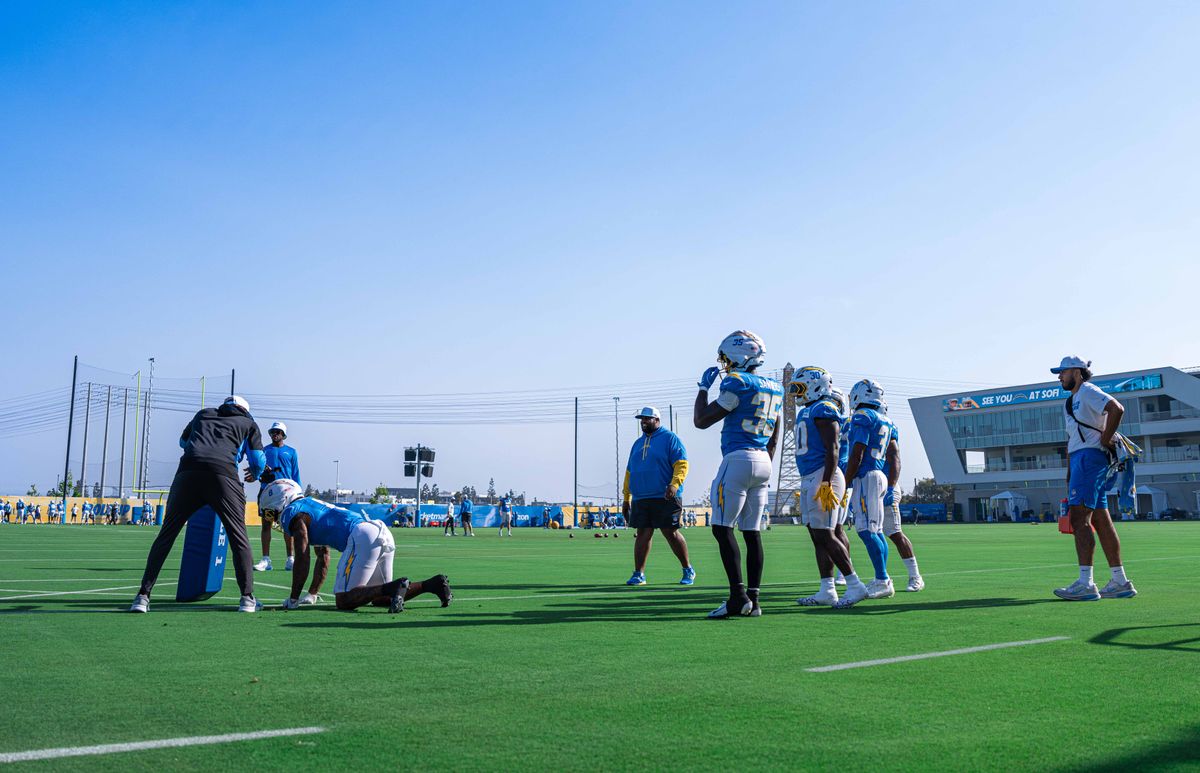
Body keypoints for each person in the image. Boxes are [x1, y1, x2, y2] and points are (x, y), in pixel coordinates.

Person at [129, 395, 266, 614]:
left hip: (188, 473)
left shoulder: (203, 414)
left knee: (167, 534)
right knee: (238, 536)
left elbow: (183, 443)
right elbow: (258, 459)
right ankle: (247, 598)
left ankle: (142, 597)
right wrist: (255, 473)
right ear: (245, 410)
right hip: (223, 475)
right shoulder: (248, 423)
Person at [258, 479, 453, 612]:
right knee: (379, 599)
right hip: (380, 532)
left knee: (344, 600)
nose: (272, 518)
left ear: (281, 501)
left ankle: (395, 586)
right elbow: (323, 556)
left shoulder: (294, 512)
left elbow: (302, 556)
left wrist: (293, 599)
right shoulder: (310, 506)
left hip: (361, 536)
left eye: (270, 512)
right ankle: (433, 584)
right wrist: (312, 593)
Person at [693, 330, 782, 619]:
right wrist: (765, 455)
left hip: (738, 458)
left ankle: (737, 597)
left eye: (726, 357)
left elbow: (701, 421)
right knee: (752, 532)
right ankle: (754, 601)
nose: (724, 363)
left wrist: (702, 389)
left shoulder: (737, 382)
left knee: (722, 527)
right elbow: (776, 426)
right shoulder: (774, 386)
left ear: (739, 355)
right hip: (763, 459)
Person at [1051, 357, 1137, 600]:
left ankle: (1085, 583)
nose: (1059, 377)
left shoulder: (1088, 391)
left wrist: (1104, 438)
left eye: (1063, 372)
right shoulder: (1071, 401)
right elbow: (1072, 440)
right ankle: (1120, 580)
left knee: (1080, 518)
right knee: (1100, 519)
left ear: (1077, 373)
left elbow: (1116, 408)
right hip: (1082, 459)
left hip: (1090, 458)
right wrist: (1070, 473)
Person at [789, 367, 871, 608]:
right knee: (817, 535)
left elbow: (833, 448)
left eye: (800, 388)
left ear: (816, 385)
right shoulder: (810, 409)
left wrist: (825, 482)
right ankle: (827, 589)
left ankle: (856, 586)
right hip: (811, 475)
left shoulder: (824, 408)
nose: (796, 394)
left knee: (826, 533)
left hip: (823, 476)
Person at [622, 406, 695, 587]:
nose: (643, 422)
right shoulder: (637, 444)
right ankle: (639, 574)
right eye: (642, 419)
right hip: (641, 497)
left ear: (657, 420)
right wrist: (626, 498)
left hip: (665, 495)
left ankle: (688, 569)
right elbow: (629, 472)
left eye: (647, 418)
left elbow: (682, 464)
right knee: (642, 534)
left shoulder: (670, 438)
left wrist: (674, 484)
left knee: (670, 532)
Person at [843, 379, 897, 602]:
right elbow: (893, 457)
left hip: (867, 476)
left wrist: (845, 481)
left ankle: (883, 579)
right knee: (876, 531)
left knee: (866, 530)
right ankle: (881, 579)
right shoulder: (886, 420)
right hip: (879, 476)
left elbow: (858, 452)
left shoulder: (863, 416)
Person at [877, 398, 924, 592]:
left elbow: (895, 459)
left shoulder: (886, 429)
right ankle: (879, 579)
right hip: (871, 486)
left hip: (886, 487)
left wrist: (891, 486)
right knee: (871, 533)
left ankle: (916, 577)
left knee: (894, 533)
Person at [255, 421, 301, 572]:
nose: (275, 434)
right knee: (267, 524)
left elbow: (295, 473)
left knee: (288, 527)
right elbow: (257, 470)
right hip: (269, 496)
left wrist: (299, 493)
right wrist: (262, 474)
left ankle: (290, 559)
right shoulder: (264, 450)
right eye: (273, 432)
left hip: (287, 496)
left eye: (278, 432)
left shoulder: (291, 452)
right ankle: (266, 560)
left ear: (283, 435)